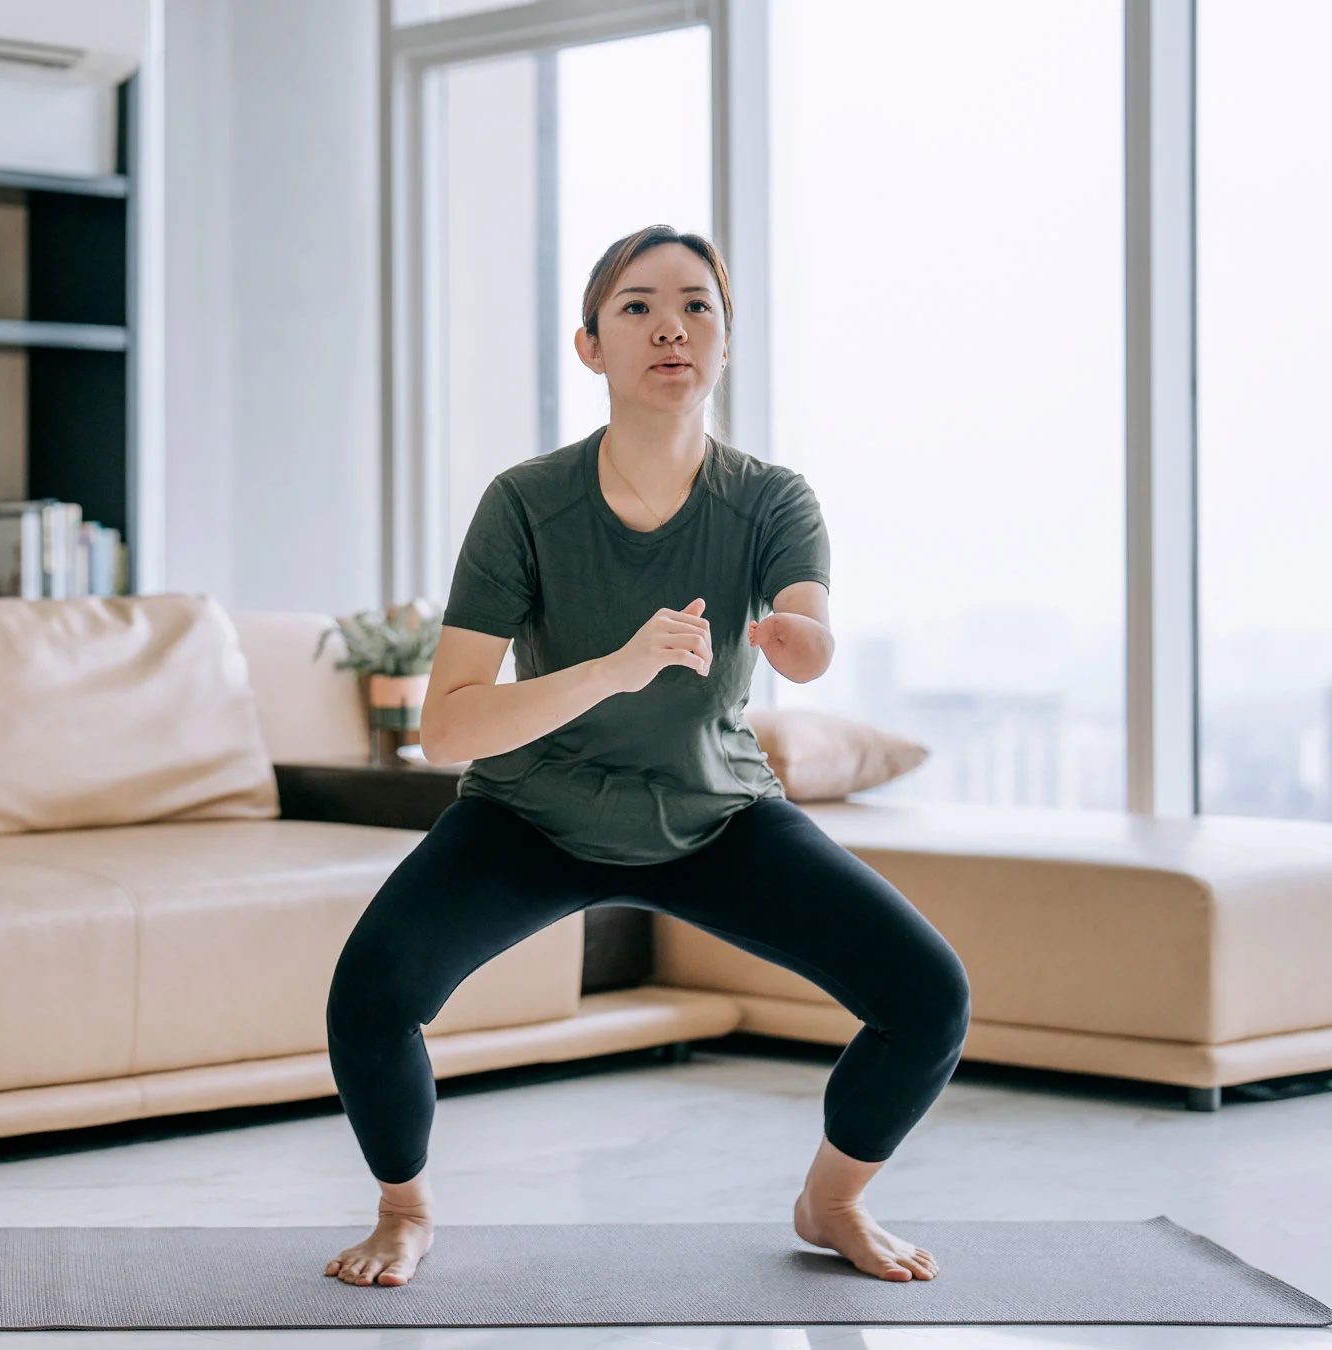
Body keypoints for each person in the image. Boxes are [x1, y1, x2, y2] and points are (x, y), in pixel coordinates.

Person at [321, 225, 971, 1289]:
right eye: (636, 306)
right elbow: (448, 727)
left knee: (928, 993)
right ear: (589, 346)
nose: (670, 323)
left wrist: (799, 643)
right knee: (371, 993)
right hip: (531, 814)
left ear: (724, 342)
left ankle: (834, 1198)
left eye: (696, 304)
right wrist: (608, 671)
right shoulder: (526, 504)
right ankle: (404, 1207)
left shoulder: (771, 499)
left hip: (715, 817)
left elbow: (805, 624)